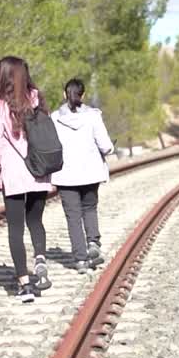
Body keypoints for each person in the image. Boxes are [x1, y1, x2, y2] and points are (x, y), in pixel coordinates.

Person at [0, 56, 51, 303]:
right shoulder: (38, 99)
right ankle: (41, 259)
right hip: (39, 169)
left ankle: (25, 285)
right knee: (35, 220)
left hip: (13, 174)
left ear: (4, 76)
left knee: (15, 228)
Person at [50, 79, 114, 272]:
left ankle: (80, 260)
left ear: (64, 94)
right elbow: (105, 145)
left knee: (73, 217)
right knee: (90, 209)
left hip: (65, 175)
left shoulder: (53, 118)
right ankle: (93, 243)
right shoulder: (93, 116)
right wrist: (110, 149)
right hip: (90, 173)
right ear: (83, 95)